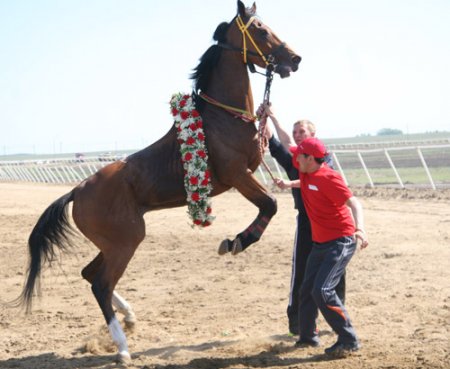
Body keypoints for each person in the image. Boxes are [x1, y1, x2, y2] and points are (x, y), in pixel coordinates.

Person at [257, 103, 345, 337]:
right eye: (295, 132)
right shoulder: (295, 161)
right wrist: (264, 121)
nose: (297, 136)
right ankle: (297, 321)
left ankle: (337, 318)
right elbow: (278, 145)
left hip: (330, 223)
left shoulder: (322, 159)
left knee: (335, 274)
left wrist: (274, 117)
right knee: (302, 271)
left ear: (313, 136)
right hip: (307, 222)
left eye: (301, 132)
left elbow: (288, 146)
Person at [276, 137, 369, 358]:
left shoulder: (329, 177)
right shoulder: (306, 170)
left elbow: (354, 203)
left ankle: (349, 340)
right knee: (306, 289)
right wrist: (289, 184)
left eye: (300, 154)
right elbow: (304, 177)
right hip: (320, 243)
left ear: (310, 158)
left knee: (323, 290)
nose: (295, 157)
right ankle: (308, 337)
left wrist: (361, 229)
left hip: (341, 241)